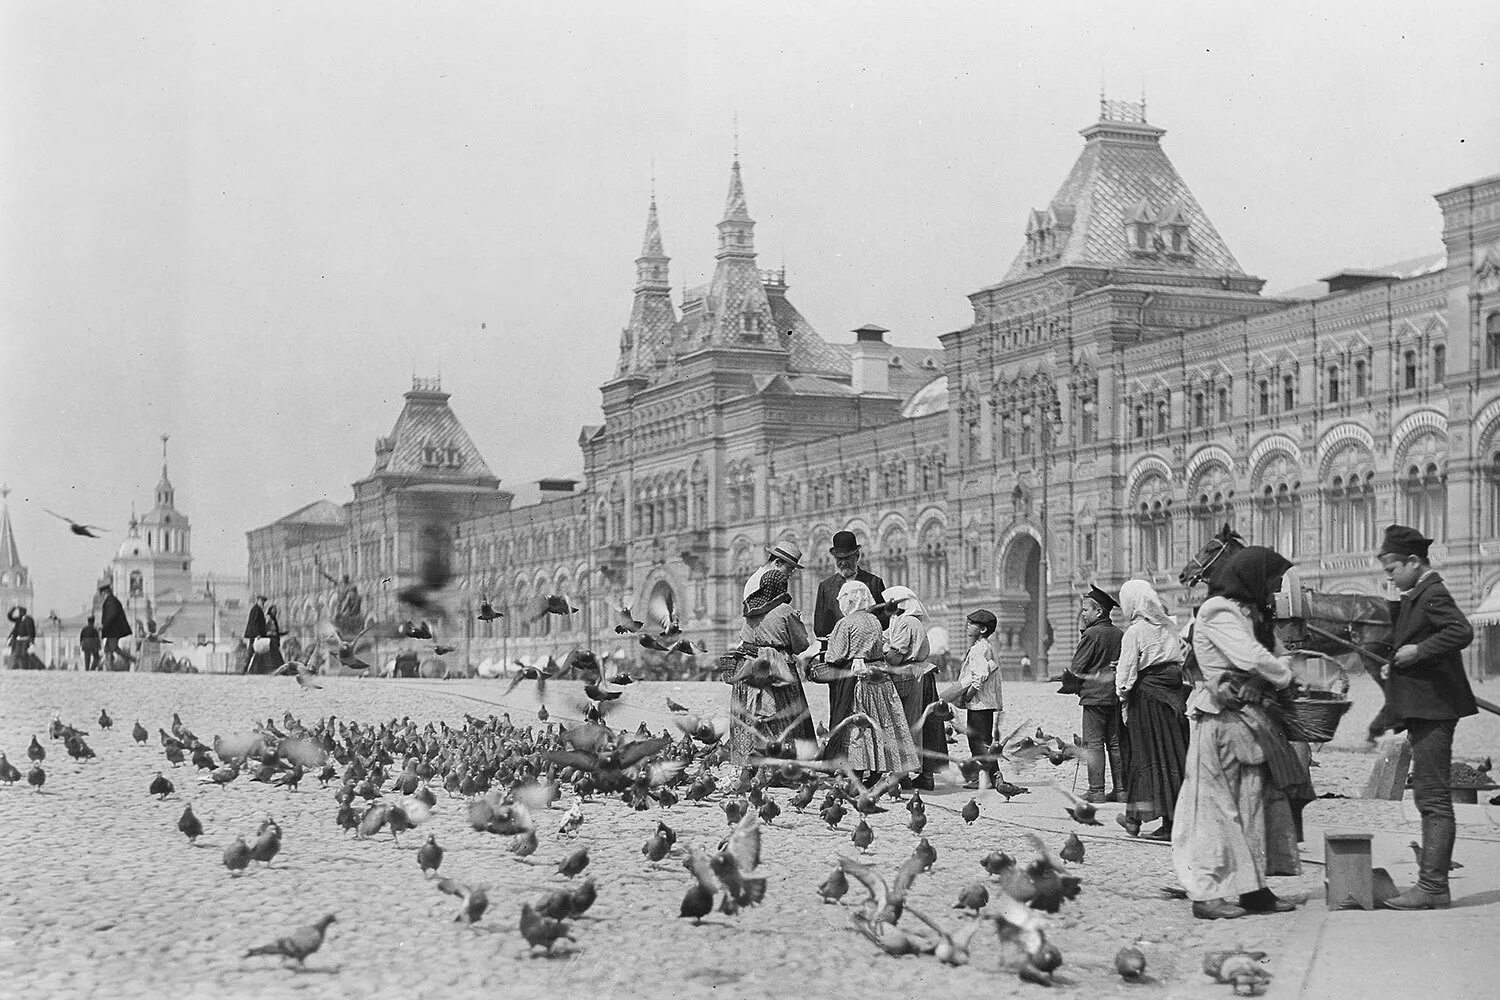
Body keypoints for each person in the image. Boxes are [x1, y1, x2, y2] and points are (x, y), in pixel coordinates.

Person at [1173, 546, 1309, 920]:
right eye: (1272, 581)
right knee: (1211, 811)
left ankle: (1252, 890)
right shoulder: (1218, 611)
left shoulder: (1246, 614)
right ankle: (1206, 893)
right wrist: (1285, 675)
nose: (1275, 590)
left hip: (1244, 725)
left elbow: (1269, 657)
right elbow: (1253, 657)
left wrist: (1267, 674)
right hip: (1218, 722)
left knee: (1251, 809)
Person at [1376, 525, 1477, 910]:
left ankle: (1433, 887)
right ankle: (1431, 882)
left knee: (1433, 797)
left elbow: (1461, 631)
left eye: (1392, 569)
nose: (1389, 576)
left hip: (1435, 709)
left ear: (1413, 562)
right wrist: (1397, 665)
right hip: (1426, 707)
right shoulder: (1415, 593)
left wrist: (1417, 652)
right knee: (1428, 795)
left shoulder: (1431, 592)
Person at [1114, 579, 1190, 840]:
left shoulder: (1134, 632)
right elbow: (1178, 661)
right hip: (1172, 698)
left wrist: (1123, 699)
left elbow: (1126, 675)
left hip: (1146, 701)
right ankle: (1171, 822)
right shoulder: (1170, 626)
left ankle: (1135, 820)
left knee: (1144, 758)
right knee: (1174, 757)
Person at [824, 581, 919, 783]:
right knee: (882, 723)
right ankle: (878, 769)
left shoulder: (845, 623)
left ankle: (858, 769)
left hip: (858, 679)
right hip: (879, 678)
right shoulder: (875, 621)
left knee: (857, 724)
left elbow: (835, 656)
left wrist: (832, 642)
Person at [727, 569, 817, 767]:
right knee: (784, 715)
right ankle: (783, 763)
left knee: (750, 715)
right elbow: (802, 644)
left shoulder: (750, 608)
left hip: (750, 665)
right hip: (778, 668)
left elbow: (745, 638)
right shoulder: (785, 610)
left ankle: (748, 761)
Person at [812, 531, 887, 743]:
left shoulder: (874, 583)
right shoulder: (826, 587)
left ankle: (867, 758)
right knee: (839, 707)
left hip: (868, 661)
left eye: (847, 558)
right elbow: (819, 627)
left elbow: (884, 622)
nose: (843, 563)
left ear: (857, 557)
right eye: (839, 559)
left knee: (869, 711)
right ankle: (839, 754)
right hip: (838, 663)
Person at [882, 585, 945, 791]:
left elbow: (895, 656)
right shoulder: (911, 621)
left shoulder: (906, 622)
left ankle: (903, 775)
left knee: (907, 724)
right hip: (922, 676)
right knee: (927, 727)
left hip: (910, 677)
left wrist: (881, 651)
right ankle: (926, 776)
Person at [1067, 585, 1125, 803]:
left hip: (1094, 697)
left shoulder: (1091, 635)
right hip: (1115, 697)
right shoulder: (1119, 633)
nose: (1082, 614)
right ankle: (1121, 790)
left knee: (1094, 743)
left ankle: (1096, 790)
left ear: (1098, 612)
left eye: (1085, 610)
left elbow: (1077, 668)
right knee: (1116, 743)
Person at [957, 609, 1003, 789]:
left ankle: (984, 779)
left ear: (982, 629)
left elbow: (980, 676)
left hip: (978, 703)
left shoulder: (978, 649)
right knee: (986, 741)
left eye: (972, 623)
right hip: (987, 702)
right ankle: (994, 777)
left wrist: (967, 695)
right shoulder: (987, 646)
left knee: (977, 742)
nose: (968, 626)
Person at [742, 541, 807, 605]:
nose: (790, 574)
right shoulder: (758, 581)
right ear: (777, 563)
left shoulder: (768, 580)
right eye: (789, 569)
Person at [98, 582, 135, 671]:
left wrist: (104, 625)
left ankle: (133, 659)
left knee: (113, 648)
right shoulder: (112, 600)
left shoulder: (110, 601)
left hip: (113, 629)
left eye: (102, 594)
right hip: (113, 629)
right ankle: (110, 668)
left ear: (105, 593)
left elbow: (111, 614)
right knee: (108, 648)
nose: (101, 596)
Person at [243, 594, 269, 674]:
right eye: (262, 601)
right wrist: (257, 634)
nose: (263, 603)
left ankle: (251, 669)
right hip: (255, 636)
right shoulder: (256, 609)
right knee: (251, 652)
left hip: (257, 635)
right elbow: (254, 623)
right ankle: (245, 669)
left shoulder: (258, 609)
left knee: (255, 652)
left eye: (264, 602)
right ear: (258, 600)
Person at [7, 606, 38, 670]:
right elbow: (9, 617)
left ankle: (25, 667)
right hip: (18, 640)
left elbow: (31, 630)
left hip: (25, 640)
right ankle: (16, 667)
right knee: (17, 654)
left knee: (24, 655)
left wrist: (32, 641)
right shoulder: (19, 619)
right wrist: (12, 609)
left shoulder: (28, 619)